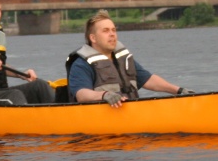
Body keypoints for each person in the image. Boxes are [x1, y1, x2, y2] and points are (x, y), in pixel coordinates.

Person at [67, 9, 195, 108]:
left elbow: (148, 80)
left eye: (113, 30)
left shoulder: (123, 59)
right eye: (105, 31)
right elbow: (81, 94)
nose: (112, 34)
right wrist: (105, 95)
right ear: (93, 38)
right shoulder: (81, 65)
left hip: (131, 112)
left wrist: (178, 90)